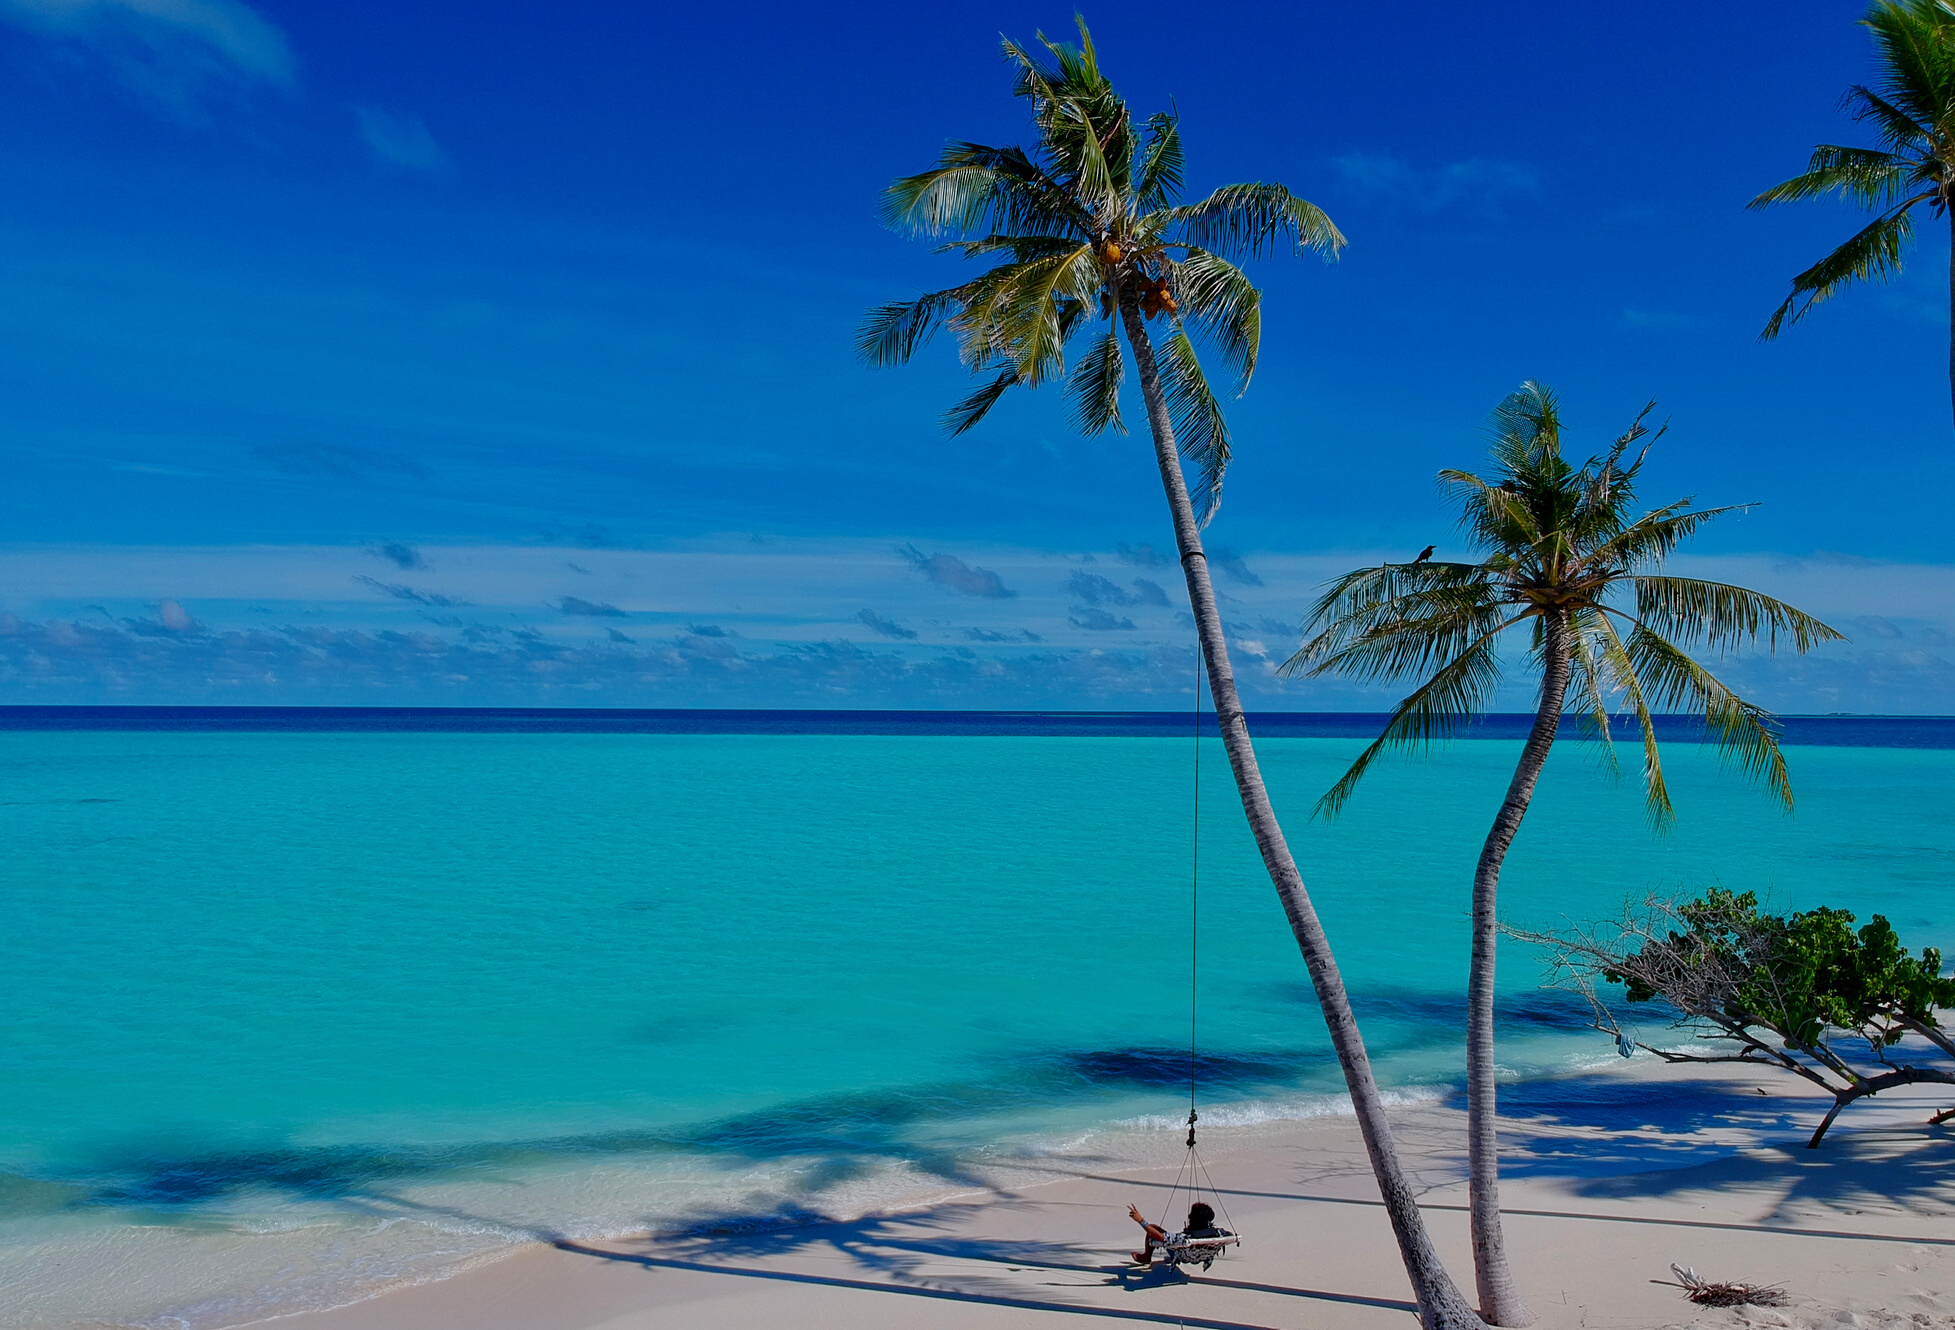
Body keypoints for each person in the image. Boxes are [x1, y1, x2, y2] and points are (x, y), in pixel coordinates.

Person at [1126, 1200, 1231, 1265]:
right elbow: (1230, 1235)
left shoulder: (1184, 1238)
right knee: (1156, 1229)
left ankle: (1146, 1258)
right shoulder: (1218, 1233)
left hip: (1182, 1255)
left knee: (1152, 1228)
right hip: (1203, 1255)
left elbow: (1159, 1236)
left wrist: (1141, 1221)